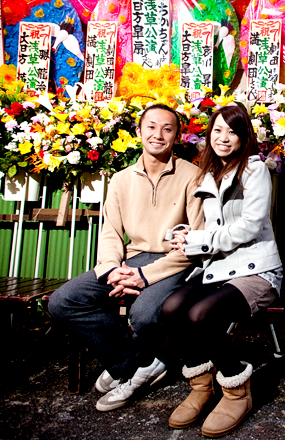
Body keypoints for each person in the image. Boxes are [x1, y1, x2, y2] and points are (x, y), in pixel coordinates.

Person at [48, 104, 204, 411]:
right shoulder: (120, 180)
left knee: (144, 316)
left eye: (167, 129)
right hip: (130, 260)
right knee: (63, 301)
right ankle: (136, 365)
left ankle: (130, 369)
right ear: (139, 131)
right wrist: (110, 270)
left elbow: (194, 244)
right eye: (151, 127)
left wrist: (144, 276)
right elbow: (110, 232)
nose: (158, 135)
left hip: (172, 263)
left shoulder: (192, 176)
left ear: (177, 136)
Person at [162, 104, 282, 437]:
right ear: (209, 135)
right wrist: (184, 234)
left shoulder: (255, 171)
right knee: (172, 309)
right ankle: (201, 386)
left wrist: (199, 240)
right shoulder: (207, 172)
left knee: (200, 315)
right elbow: (206, 224)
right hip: (217, 267)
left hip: (256, 270)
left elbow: (249, 226)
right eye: (217, 130)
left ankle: (236, 389)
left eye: (232, 131)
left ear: (245, 138)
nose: (223, 138)